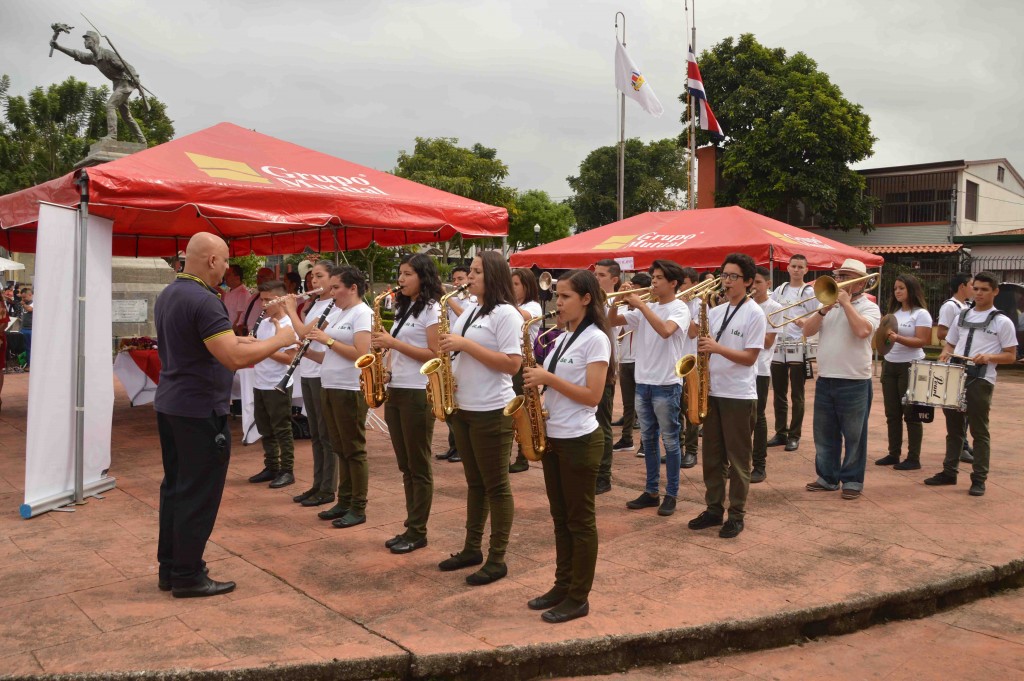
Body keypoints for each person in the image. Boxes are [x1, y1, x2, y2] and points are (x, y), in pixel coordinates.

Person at [155, 233, 295, 597]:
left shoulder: (171, 293)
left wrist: (250, 342)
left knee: (175, 488)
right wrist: (281, 340)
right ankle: (188, 573)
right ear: (212, 261)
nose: (228, 269)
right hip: (198, 408)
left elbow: (221, 344)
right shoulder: (204, 300)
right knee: (198, 493)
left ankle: (171, 567)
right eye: (226, 260)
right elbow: (232, 357)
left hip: (173, 404)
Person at [522, 269, 612, 624]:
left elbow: (593, 396)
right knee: (560, 519)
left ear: (586, 299)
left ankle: (579, 597)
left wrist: (547, 379)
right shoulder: (561, 338)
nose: (557, 303)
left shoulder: (596, 340)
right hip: (555, 437)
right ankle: (562, 585)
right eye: (556, 297)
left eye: (564, 297)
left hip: (580, 440)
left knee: (580, 521)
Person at [437, 251, 522, 585]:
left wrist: (464, 346)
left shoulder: (507, 314)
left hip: (492, 410)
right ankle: (471, 547)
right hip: (463, 408)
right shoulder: (471, 309)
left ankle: (497, 558)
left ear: (494, 276)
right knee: (475, 484)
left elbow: (512, 364)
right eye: (469, 272)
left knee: (497, 486)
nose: (468, 278)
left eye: (475, 272)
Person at [687, 254, 766, 539]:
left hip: (738, 395)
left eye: (733, 276)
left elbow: (749, 357)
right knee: (712, 457)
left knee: (738, 459)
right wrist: (695, 313)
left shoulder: (755, 313)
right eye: (724, 275)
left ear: (747, 282)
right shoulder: (717, 310)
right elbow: (695, 336)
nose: (727, 281)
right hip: (712, 391)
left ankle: (736, 514)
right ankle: (713, 509)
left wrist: (717, 348)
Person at [607, 260, 691, 517]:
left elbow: (666, 331)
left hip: (667, 384)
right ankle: (651, 491)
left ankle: (672, 494)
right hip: (644, 383)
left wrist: (641, 305)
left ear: (673, 283)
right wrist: (617, 299)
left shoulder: (680, 308)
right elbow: (612, 321)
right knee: (650, 442)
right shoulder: (648, 307)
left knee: (671, 442)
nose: (653, 283)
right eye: (652, 278)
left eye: (658, 278)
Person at [372, 254, 443, 554]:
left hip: (418, 392)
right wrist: (387, 366)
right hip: (397, 389)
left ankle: (418, 530)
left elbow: (434, 353)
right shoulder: (405, 307)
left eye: (408, 274)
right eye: (400, 273)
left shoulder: (432, 309)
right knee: (405, 464)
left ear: (423, 277)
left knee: (418, 464)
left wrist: (391, 343)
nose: (401, 279)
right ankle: (411, 524)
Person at [925, 272, 1017, 496]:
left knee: (979, 430)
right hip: (956, 375)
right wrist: (945, 354)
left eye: (984, 289)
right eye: (976, 288)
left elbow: (1011, 356)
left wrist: (989, 357)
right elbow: (950, 344)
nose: (978, 293)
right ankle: (949, 472)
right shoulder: (961, 316)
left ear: (995, 292)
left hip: (981, 379)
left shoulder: (1002, 321)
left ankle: (979, 478)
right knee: (954, 428)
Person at [802, 259, 880, 500]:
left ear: (862, 282)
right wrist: (824, 309)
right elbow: (807, 331)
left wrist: (846, 305)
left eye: (847, 276)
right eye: (840, 275)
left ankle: (852, 480)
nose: (842, 281)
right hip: (826, 379)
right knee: (824, 434)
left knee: (855, 436)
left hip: (854, 381)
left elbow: (862, 331)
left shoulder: (869, 307)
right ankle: (827, 477)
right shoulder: (827, 304)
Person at [304, 266, 373, 528]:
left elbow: (361, 354)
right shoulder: (341, 313)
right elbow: (331, 355)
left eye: (336, 288)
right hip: (330, 385)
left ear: (352, 288)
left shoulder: (362, 313)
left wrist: (327, 340)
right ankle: (344, 500)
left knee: (354, 449)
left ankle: (358, 505)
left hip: (350, 389)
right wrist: (310, 353)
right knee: (340, 447)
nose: (332, 293)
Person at [282, 261, 341, 508]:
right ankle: (318, 484)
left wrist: (289, 309)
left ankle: (328, 488)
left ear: (332, 279)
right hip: (308, 371)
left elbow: (305, 332)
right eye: (312, 277)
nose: (313, 282)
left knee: (326, 434)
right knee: (315, 433)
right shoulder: (315, 303)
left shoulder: (333, 306)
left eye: (320, 276)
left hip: (322, 374)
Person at [875, 275, 932, 471]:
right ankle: (893, 453)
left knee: (911, 413)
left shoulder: (921, 314)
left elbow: (923, 340)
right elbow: (884, 343)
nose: (897, 291)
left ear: (911, 290)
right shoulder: (893, 314)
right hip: (890, 364)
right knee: (892, 413)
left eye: (901, 288)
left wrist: (897, 337)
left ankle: (913, 457)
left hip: (911, 365)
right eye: (895, 288)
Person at [246, 281, 300, 488]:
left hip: (278, 383)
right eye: (262, 299)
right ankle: (271, 466)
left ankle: (287, 470)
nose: (263, 304)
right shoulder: (264, 323)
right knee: (264, 427)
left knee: (282, 428)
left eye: (269, 300)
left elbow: (289, 358)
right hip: (260, 381)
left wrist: (263, 347)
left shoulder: (289, 325)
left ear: (281, 299)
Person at [50, 31, 147, 144]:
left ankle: (112, 136)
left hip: (125, 84)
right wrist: (58, 47)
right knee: (126, 116)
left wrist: (135, 77)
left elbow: (127, 66)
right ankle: (142, 140)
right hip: (117, 86)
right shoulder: (94, 58)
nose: (84, 42)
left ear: (94, 41)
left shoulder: (107, 54)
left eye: (87, 39)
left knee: (110, 106)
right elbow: (78, 54)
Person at [768, 254, 818, 452]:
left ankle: (794, 435)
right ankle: (781, 432)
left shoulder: (810, 292)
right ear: (787, 268)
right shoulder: (779, 290)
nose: (796, 270)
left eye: (800, 267)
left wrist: (805, 322)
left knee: (797, 394)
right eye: (793, 266)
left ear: (806, 270)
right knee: (779, 392)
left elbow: (817, 315)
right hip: (779, 346)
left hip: (798, 345)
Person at [936, 273, 975, 464]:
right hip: (955, 361)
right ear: (962, 286)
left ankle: (964, 444)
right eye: (971, 285)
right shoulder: (950, 306)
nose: (974, 289)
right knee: (957, 407)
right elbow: (942, 332)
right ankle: (962, 446)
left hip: (967, 362)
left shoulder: (967, 307)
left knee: (966, 406)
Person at [435, 265, 472, 464]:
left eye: (460, 278)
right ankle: (453, 446)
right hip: (448, 351)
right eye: (454, 279)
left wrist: (447, 298)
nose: (456, 283)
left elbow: (462, 316)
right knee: (447, 398)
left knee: (455, 400)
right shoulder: (452, 299)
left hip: (462, 352)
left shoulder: (471, 301)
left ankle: (460, 447)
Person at [612, 272, 651, 456]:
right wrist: (619, 300)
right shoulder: (626, 309)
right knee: (628, 405)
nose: (632, 294)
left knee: (643, 404)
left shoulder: (647, 308)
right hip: (625, 359)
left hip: (640, 360)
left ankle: (645, 442)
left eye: (635, 290)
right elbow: (614, 325)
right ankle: (627, 438)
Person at [509, 268, 544, 474]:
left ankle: (523, 456)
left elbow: (519, 314)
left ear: (527, 286)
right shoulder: (513, 304)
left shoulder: (533, 306)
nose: (512, 288)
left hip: (524, 364)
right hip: (510, 361)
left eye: (515, 285)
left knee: (522, 411)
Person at [592, 260, 622, 494]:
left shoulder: (617, 302)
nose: (596, 278)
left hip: (606, 367)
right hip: (586, 365)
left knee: (602, 423)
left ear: (614, 280)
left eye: (601, 275)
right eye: (595, 274)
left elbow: (610, 323)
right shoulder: (590, 299)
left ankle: (604, 475)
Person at [750, 267, 782, 483]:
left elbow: (769, 341)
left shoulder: (774, 307)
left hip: (760, 368)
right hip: (740, 367)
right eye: (752, 282)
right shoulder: (742, 305)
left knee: (758, 417)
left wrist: (748, 328)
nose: (754, 287)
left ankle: (759, 464)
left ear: (768, 284)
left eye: (759, 283)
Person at [676, 267, 702, 469]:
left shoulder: (700, 304)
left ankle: (691, 451)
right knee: (674, 410)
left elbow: (693, 332)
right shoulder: (673, 303)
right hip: (673, 361)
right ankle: (677, 449)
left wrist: (684, 307)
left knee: (690, 409)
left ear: (694, 284)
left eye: (683, 283)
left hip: (691, 362)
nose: (679, 287)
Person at [242, 267, 277, 334]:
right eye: (257, 277)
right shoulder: (252, 298)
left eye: (262, 277)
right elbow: (242, 319)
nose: (258, 280)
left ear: (272, 279)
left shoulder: (277, 300)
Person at [221, 265, 250, 335]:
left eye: (228, 275)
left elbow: (240, 317)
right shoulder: (229, 292)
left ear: (237, 277)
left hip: (235, 332)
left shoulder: (242, 293)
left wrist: (231, 332)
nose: (225, 278)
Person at [17, 287, 32, 369]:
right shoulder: (24, 304)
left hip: (30, 329)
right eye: (22, 297)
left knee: (29, 348)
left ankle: (30, 364)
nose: (23, 299)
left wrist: (23, 304)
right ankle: (24, 363)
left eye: (24, 297)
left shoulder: (33, 303)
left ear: (30, 295)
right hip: (23, 328)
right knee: (24, 347)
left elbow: (30, 309)